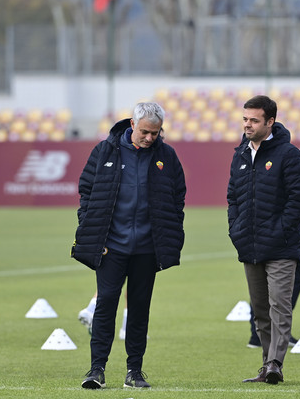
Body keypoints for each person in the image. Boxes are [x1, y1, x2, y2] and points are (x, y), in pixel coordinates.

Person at [71, 102, 186, 389]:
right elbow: (86, 191)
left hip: (147, 249)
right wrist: (93, 228)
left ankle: (134, 371)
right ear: (132, 125)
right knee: (105, 306)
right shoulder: (104, 151)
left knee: (139, 309)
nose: (150, 138)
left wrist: (169, 231)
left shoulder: (167, 156)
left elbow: (177, 196)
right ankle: (96, 369)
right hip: (112, 247)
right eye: (145, 132)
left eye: (156, 133)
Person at [227, 95, 300, 384]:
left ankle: (276, 363)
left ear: (270, 122)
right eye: (245, 119)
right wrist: (235, 229)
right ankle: (266, 365)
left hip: (281, 247)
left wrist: (281, 231)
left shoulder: (289, 154)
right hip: (249, 245)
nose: (247, 125)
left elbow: (299, 200)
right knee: (260, 311)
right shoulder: (239, 155)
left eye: (254, 120)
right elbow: (232, 198)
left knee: (279, 306)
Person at [247, 215, 300, 349]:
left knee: (261, 281)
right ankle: (275, 332)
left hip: (255, 231)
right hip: (276, 232)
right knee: (290, 278)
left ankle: (257, 334)